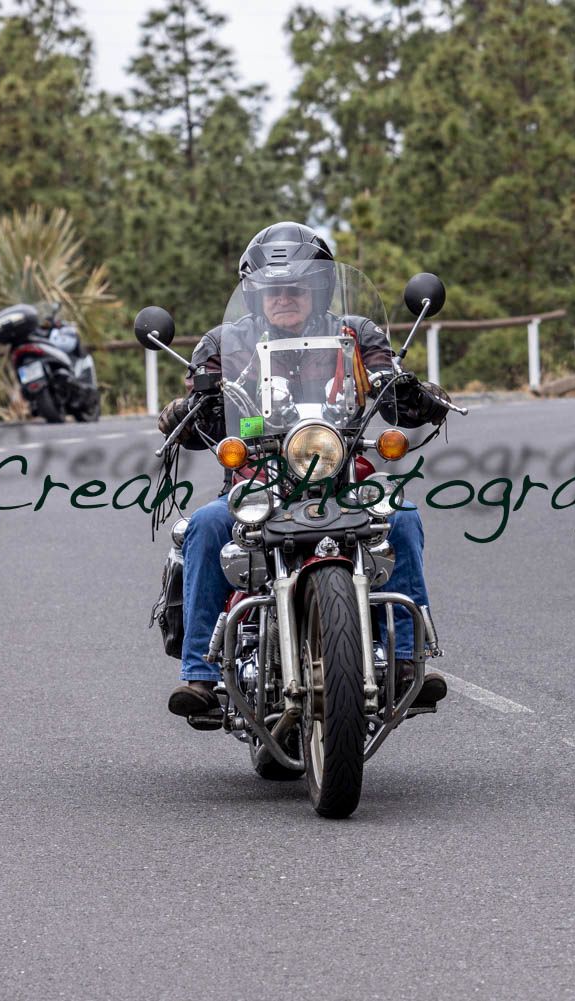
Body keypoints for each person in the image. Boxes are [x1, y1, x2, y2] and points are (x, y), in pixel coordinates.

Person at [158, 222, 450, 722]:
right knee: (206, 526)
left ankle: (406, 662)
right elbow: (197, 404)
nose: (284, 298)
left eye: (297, 287)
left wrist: (415, 392)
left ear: (319, 289)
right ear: (254, 295)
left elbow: (391, 388)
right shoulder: (224, 342)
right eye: (273, 290)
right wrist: (185, 411)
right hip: (259, 480)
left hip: (344, 477)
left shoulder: (356, 334)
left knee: (401, 518)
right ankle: (200, 678)